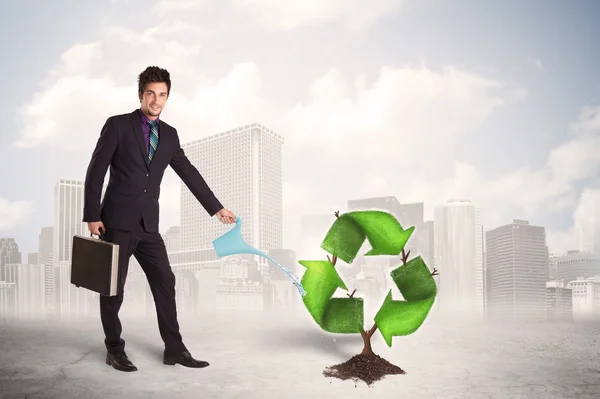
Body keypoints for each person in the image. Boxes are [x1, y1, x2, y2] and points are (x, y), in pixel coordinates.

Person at [82, 65, 236, 372]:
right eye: (151, 93)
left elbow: (188, 171)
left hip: (148, 225)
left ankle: (174, 350)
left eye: (162, 95)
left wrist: (216, 207)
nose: (156, 100)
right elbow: (96, 171)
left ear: (167, 97)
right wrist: (92, 215)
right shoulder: (117, 126)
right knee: (113, 289)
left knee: (166, 281)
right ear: (140, 95)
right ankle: (114, 349)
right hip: (116, 221)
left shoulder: (170, 135)